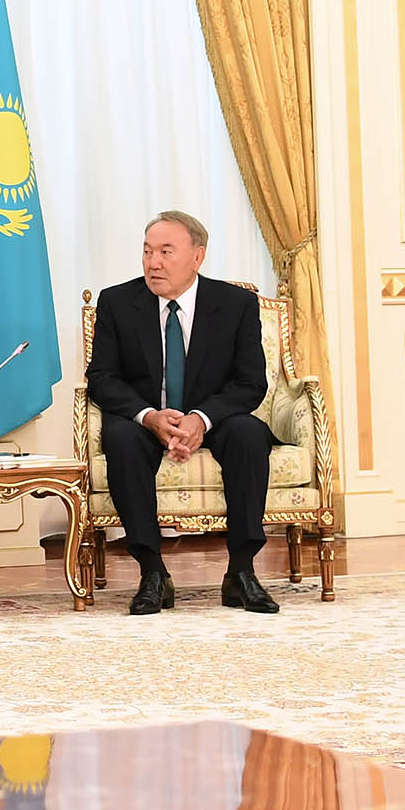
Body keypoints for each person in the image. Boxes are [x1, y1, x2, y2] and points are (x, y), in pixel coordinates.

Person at [85, 212, 279, 617]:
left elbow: (250, 383)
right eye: (147, 252)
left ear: (197, 257)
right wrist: (149, 417)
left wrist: (200, 419)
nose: (153, 263)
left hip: (213, 417)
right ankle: (152, 572)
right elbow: (101, 378)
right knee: (121, 439)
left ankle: (241, 571)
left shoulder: (236, 305)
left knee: (248, 434)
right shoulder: (117, 302)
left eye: (165, 252)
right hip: (146, 417)